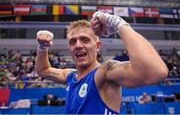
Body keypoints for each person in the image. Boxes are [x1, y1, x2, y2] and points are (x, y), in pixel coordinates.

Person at [35, 11, 168, 114]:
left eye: (85, 40)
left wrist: (118, 24)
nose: (78, 45)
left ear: (98, 46)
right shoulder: (70, 76)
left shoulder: (104, 72)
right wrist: (42, 47)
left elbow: (155, 72)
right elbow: (43, 71)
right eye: (72, 41)